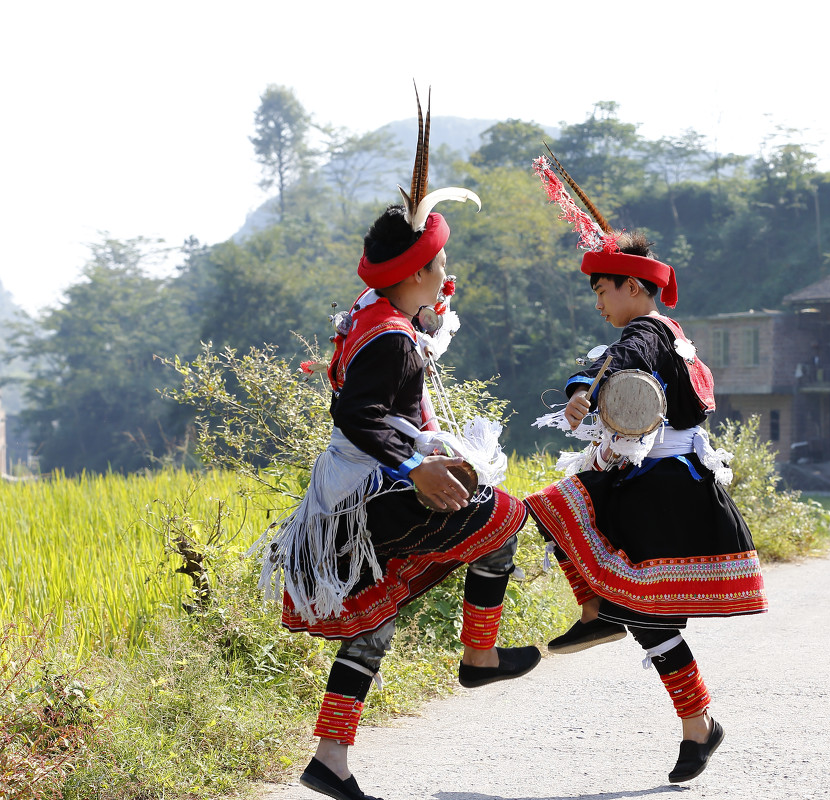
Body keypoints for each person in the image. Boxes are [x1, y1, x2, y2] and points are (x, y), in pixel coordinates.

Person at [254, 93, 538, 800]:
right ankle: (477, 654)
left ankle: (331, 760)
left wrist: (428, 316)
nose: (448, 273)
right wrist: (417, 465)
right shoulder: (390, 338)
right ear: (415, 273)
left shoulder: (376, 315)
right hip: (370, 494)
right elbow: (359, 413)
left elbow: (398, 347)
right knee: (504, 518)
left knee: (375, 618)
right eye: (441, 265)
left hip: (348, 495)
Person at [524, 152, 767, 784]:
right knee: (648, 618)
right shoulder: (658, 333)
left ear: (634, 287)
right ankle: (699, 726)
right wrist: (585, 384)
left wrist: (592, 384)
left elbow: (625, 353)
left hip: (667, 487)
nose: (599, 300)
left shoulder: (651, 331)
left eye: (604, 289)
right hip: (652, 483)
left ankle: (595, 612)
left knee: (551, 509)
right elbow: (608, 360)